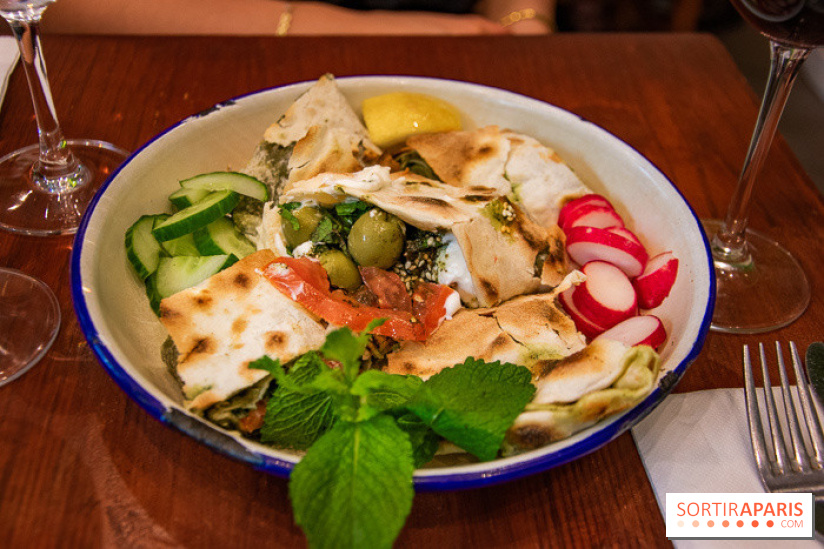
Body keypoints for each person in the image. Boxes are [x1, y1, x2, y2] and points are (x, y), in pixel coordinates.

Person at [42, 0, 556, 36]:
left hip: (458, 41)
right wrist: (355, 29)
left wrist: (524, 21)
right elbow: (66, 8)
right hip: (225, 33)